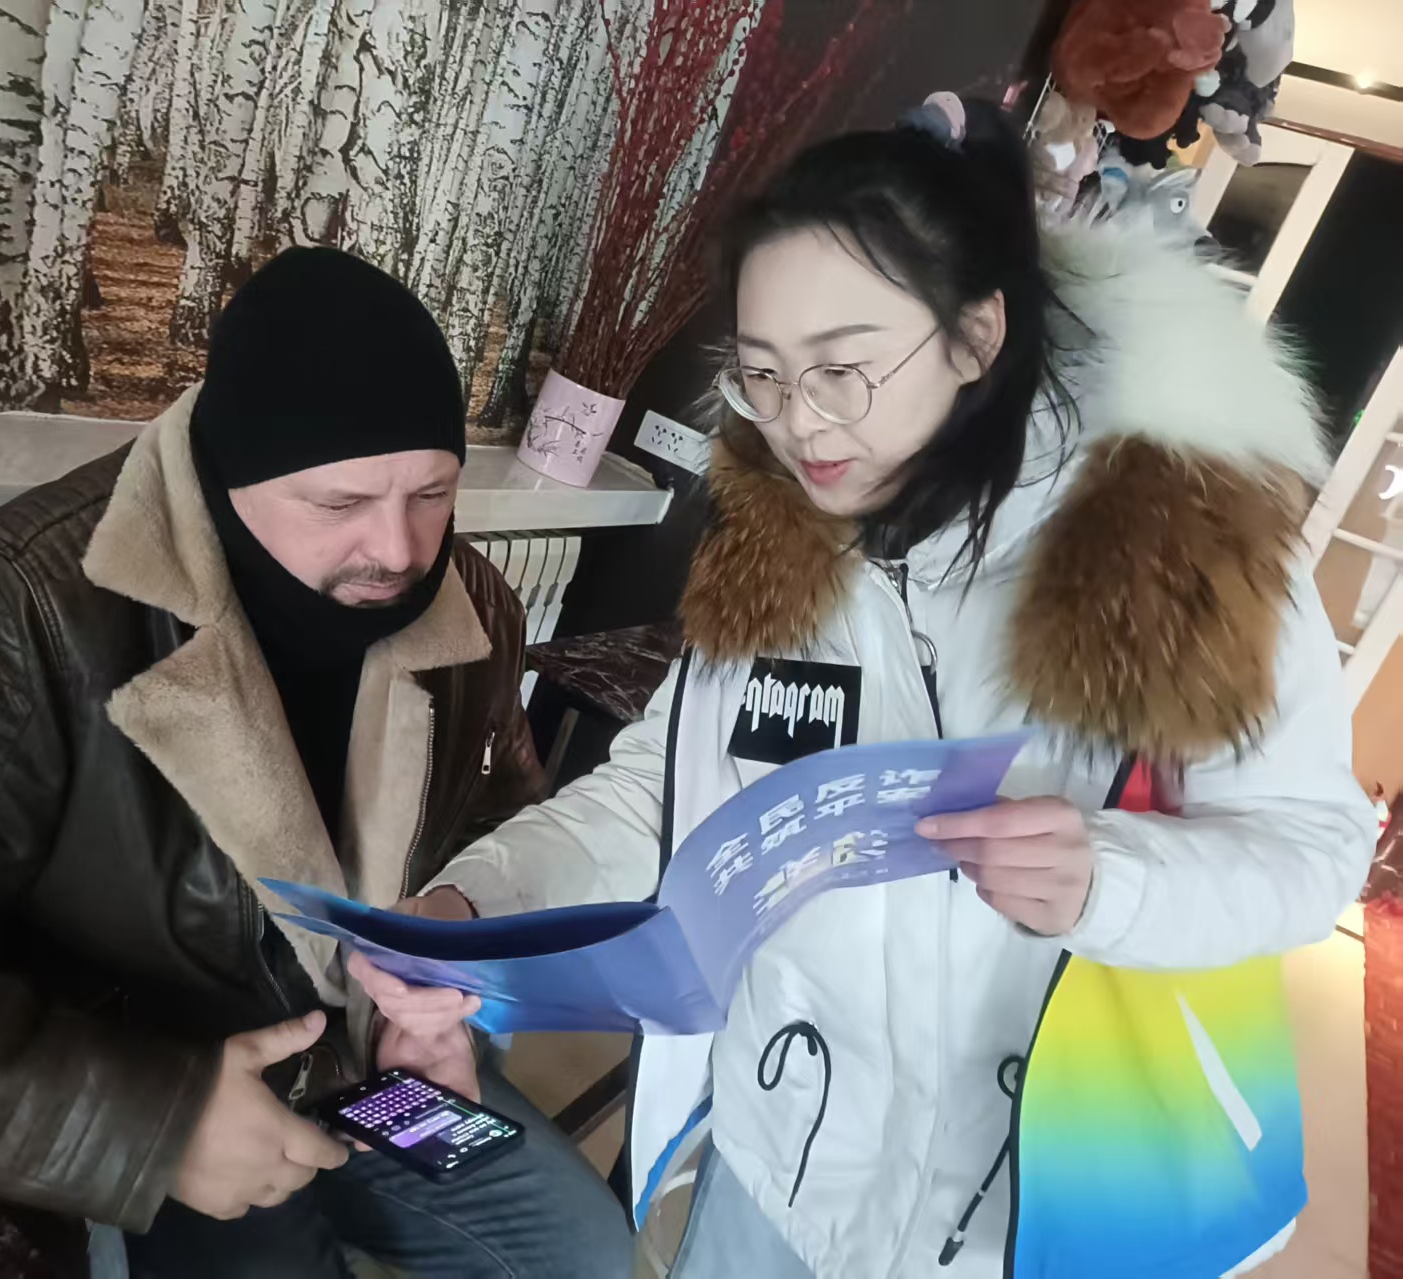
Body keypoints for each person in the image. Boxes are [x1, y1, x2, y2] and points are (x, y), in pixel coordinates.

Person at [362, 97, 1374, 1278]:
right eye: (761, 375)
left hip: (1038, 1214)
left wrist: (1111, 878)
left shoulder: (1176, 549)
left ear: (974, 335)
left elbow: (1312, 850)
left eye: (840, 369)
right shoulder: (775, 550)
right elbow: (666, 802)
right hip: (777, 1172)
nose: (798, 424)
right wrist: (478, 907)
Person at [0, 248, 634, 1278]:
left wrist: (446, 999)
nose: (401, 550)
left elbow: (495, 830)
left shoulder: (472, 603)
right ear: (230, 473)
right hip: (133, 1079)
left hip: (370, 1057)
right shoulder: (17, 609)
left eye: (433, 492)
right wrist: (152, 1122)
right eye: (339, 503)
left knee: (587, 1252)